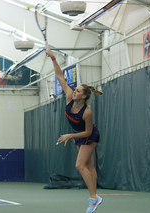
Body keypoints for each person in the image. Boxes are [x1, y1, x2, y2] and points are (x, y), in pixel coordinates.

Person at [46, 48, 103, 213]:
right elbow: (60, 76)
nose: (74, 91)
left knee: (79, 165)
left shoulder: (87, 112)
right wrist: (53, 58)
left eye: (78, 91)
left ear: (84, 96)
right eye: (75, 90)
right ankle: (95, 197)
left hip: (89, 135)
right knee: (89, 167)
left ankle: (93, 199)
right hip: (78, 136)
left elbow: (87, 132)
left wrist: (70, 135)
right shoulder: (69, 97)